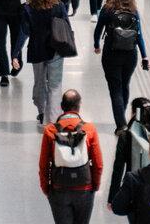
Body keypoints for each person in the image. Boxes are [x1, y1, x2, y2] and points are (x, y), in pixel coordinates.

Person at [38, 89, 105, 224]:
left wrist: (47, 188)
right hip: (84, 189)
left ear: (62, 106)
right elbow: (98, 163)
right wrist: (94, 186)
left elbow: (43, 164)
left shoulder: (50, 130)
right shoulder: (89, 129)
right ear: (79, 106)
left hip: (59, 188)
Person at [93, 0, 149, 133]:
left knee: (115, 89)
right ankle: (121, 117)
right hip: (130, 55)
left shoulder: (107, 10)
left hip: (111, 54)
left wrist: (96, 44)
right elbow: (139, 36)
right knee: (125, 85)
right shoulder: (134, 11)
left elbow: (98, 29)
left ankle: (121, 124)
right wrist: (144, 57)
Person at [23, 0, 73, 124]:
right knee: (55, 85)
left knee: (39, 83)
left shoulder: (28, 8)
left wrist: (15, 53)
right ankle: (53, 120)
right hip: (56, 49)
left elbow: (25, 30)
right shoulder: (59, 6)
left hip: (36, 50)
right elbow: (67, 26)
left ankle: (42, 111)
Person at [108, 98, 150, 205]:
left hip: (134, 189)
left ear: (134, 113)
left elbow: (118, 169)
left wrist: (112, 198)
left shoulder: (126, 136)